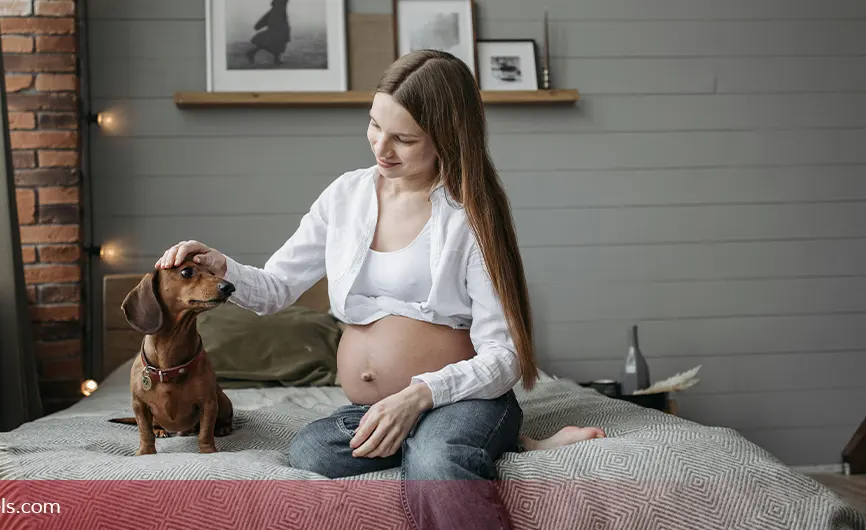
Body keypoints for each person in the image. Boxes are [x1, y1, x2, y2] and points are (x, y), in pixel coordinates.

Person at [155, 49, 605, 530]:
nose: (381, 148)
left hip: (463, 396)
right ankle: (506, 442)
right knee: (312, 450)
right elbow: (277, 288)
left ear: (446, 138)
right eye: (374, 125)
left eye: (404, 139)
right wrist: (224, 268)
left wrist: (417, 397)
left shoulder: (469, 217)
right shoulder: (345, 196)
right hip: (374, 404)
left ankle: (475, 432)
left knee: (435, 461)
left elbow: (505, 356)